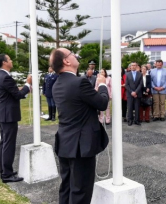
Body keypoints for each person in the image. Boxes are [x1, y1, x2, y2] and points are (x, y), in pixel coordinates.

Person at [50, 48, 109, 204]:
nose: (76, 56)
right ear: (66, 61)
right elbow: (102, 103)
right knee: (81, 191)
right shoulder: (79, 82)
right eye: (71, 54)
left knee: (67, 187)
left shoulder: (57, 84)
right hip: (81, 145)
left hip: (65, 142)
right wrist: (102, 85)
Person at [0, 54, 32, 183]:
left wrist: (21, 89)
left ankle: (4, 171)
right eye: (9, 59)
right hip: (8, 115)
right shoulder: (5, 77)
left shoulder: (0, 76)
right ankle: (7, 174)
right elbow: (17, 95)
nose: (11, 61)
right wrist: (28, 84)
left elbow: (12, 93)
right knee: (8, 144)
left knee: (4, 143)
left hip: (4, 114)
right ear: (5, 62)